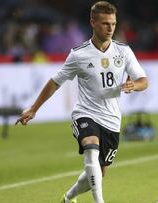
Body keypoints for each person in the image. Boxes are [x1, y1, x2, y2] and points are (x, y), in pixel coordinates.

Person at [15, 1, 148, 203]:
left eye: (113, 23)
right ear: (93, 22)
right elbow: (55, 82)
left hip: (111, 119)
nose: (110, 28)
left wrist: (133, 86)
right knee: (91, 149)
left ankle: (68, 198)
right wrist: (34, 109)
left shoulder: (124, 51)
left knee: (98, 174)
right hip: (86, 114)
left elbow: (143, 81)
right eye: (105, 23)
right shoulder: (78, 54)